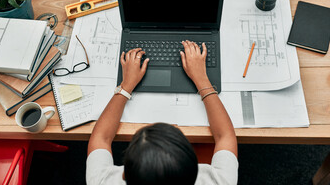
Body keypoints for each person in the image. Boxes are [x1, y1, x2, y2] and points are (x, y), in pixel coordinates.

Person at [87, 40, 238, 185]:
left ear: (124, 175)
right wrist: (202, 79)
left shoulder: (102, 182)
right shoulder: (219, 181)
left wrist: (125, 86)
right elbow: (225, 135)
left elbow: (101, 137)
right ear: (196, 171)